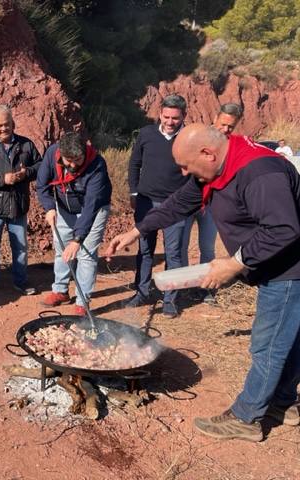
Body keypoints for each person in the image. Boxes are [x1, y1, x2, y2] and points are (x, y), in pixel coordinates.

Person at [107, 124, 300, 442]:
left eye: (185, 165)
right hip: (274, 267)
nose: (183, 172)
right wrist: (136, 231)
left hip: (289, 271)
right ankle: (283, 403)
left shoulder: (259, 173)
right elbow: (177, 204)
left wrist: (234, 263)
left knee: (268, 346)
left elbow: (283, 229)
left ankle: (246, 419)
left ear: (208, 153)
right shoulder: (220, 168)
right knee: (286, 340)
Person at [127, 94, 189, 318]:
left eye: (175, 118)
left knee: (173, 254)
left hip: (176, 205)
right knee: (144, 250)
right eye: (166, 116)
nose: (170, 122)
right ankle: (141, 292)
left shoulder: (190, 137)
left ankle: (170, 299)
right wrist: (133, 192)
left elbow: (197, 171)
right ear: (160, 113)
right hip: (145, 202)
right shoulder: (146, 133)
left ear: (184, 116)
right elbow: (134, 163)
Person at [36, 132, 111, 315]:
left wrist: (78, 239)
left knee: (85, 254)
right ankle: (60, 290)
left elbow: (91, 206)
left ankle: (82, 301)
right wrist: (49, 208)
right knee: (62, 249)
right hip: (63, 207)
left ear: (84, 152)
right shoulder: (52, 153)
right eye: (68, 160)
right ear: (60, 152)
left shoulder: (97, 165)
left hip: (93, 210)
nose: (71, 165)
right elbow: (42, 185)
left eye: (76, 159)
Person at [181, 103, 243, 304]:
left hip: (211, 206)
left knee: (207, 247)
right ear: (215, 118)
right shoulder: (197, 138)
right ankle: (183, 287)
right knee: (180, 247)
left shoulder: (231, 146)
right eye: (223, 124)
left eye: (230, 127)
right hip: (190, 202)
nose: (225, 130)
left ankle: (206, 289)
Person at [0, 104, 41, 296]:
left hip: (18, 205)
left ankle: (20, 282)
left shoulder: (26, 144)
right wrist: (2, 179)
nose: (3, 128)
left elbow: (40, 165)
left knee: (20, 246)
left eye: (6, 124)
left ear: (13, 123)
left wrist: (26, 173)